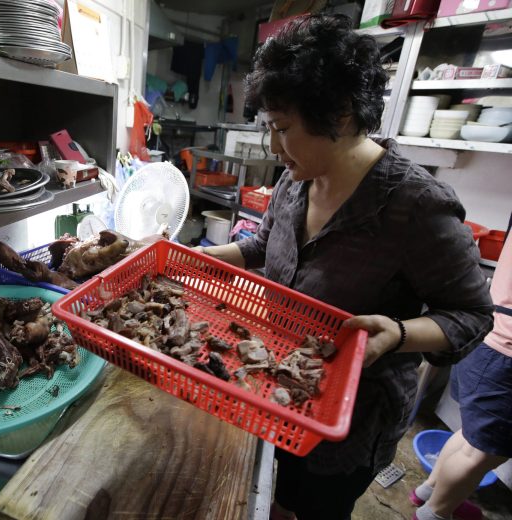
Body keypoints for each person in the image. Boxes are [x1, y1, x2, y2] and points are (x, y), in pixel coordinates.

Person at [197, 14, 494, 520]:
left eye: (283, 128)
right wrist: (200, 259)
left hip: (351, 420)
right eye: (270, 128)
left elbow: (472, 314)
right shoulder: (295, 180)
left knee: (315, 506)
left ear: (340, 115)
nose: (274, 147)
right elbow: (264, 245)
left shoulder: (416, 206)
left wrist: (397, 334)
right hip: (277, 380)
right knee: (268, 494)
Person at [412, 234, 512, 520]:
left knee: (472, 437)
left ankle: (429, 493)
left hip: (489, 334)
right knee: (483, 453)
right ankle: (435, 512)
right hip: (505, 352)